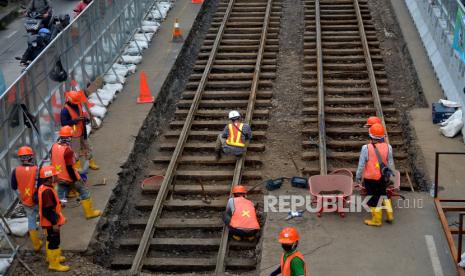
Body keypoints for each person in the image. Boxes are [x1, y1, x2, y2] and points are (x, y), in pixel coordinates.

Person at [51, 126, 102, 219]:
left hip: (59, 177)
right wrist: (76, 179)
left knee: (59, 197)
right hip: (68, 177)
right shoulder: (67, 151)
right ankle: (89, 213)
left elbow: (56, 161)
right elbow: (69, 168)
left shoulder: (54, 147)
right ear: (69, 137)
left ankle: (57, 218)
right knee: (84, 192)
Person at [355, 123, 394, 226]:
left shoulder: (366, 148)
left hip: (370, 178)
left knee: (373, 198)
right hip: (382, 177)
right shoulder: (388, 147)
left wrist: (358, 176)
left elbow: (361, 165)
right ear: (383, 136)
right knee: (383, 194)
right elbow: (390, 163)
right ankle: (390, 215)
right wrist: (389, 175)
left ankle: (376, 221)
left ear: (370, 135)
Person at [38, 165, 70, 272]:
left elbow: (50, 204)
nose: (56, 177)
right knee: (54, 241)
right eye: (54, 175)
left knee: (50, 240)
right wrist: (55, 223)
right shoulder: (47, 192)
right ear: (49, 178)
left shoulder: (45, 188)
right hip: (51, 222)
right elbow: (48, 210)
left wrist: (59, 203)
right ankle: (54, 263)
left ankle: (51, 258)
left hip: (49, 221)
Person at [10, 146, 42, 252]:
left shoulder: (15, 171)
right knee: (44, 218)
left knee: (31, 220)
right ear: (31, 157)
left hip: (26, 201)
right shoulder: (36, 169)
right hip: (38, 200)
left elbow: (14, 186)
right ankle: (49, 240)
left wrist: (22, 195)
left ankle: (36, 244)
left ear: (20, 158)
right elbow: (42, 185)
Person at [60, 90, 99, 170]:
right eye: (75, 102)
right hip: (73, 135)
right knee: (75, 151)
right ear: (69, 100)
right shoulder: (65, 110)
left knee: (88, 146)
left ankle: (90, 161)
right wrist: (75, 121)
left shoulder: (78, 104)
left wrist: (85, 119)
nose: (76, 103)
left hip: (82, 131)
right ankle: (77, 165)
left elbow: (81, 114)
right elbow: (64, 123)